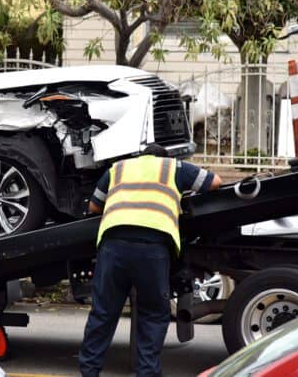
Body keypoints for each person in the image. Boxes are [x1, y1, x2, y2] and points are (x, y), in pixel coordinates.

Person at [78, 143, 222, 377]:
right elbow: (215, 182)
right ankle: (147, 373)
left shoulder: (118, 168)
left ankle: (89, 371)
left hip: (114, 246)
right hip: (152, 250)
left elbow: (94, 206)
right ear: (163, 158)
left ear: (141, 157)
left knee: (103, 312)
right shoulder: (173, 168)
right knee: (153, 315)